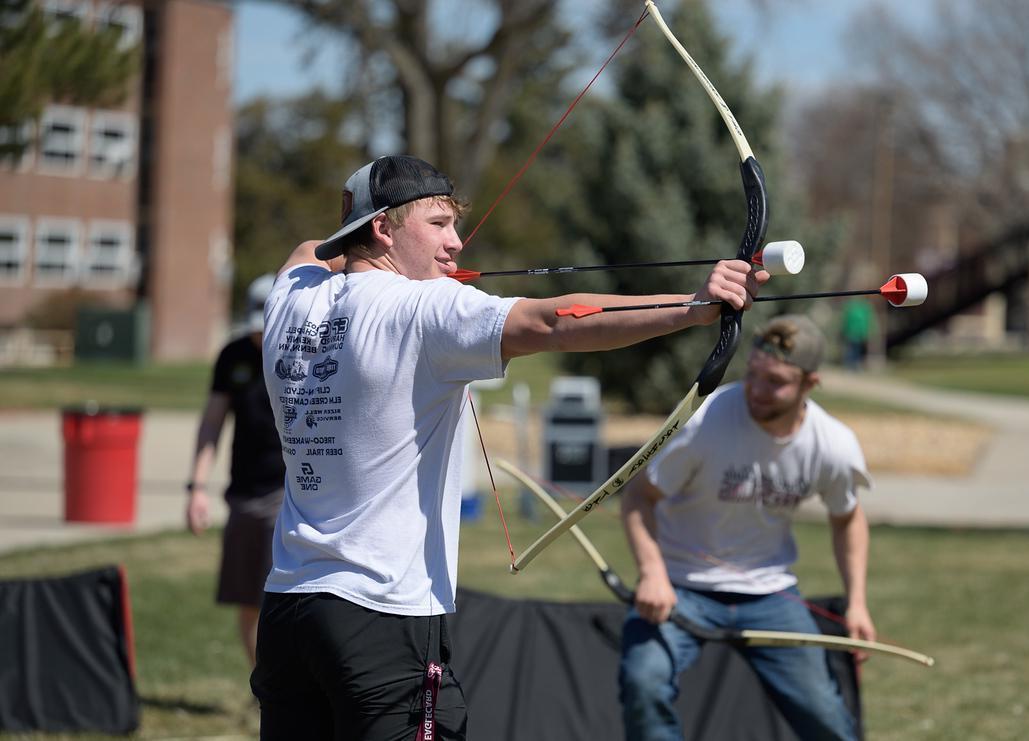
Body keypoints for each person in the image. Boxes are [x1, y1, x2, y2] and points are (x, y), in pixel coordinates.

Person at [248, 154, 768, 740]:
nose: (457, 243)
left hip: (288, 608)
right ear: (383, 227)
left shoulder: (292, 298)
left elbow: (307, 248)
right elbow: (553, 322)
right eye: (439, 223)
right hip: (382, 612)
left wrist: (362, 246)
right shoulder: (424, 310)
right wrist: (693, 307)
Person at [619, 313, 874, 741]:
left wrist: (858, 602)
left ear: (810, 384)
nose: (756, 390)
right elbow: (638, 497)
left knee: (826, 716)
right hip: (681, 587)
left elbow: (848, 519)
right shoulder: (704, 419)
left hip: (770, 593)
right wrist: (652, 573)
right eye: (752, 374)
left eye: (774, 381)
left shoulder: (833, 444)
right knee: (643, 681)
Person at [185, 273, 286, 667]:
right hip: (244, 492)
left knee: (281, 600)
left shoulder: (305, 352)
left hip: (288, 491)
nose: (261, 338)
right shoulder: (233, 355)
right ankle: (266, 691)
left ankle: (291, 694)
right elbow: (212, 422)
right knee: (249, 602)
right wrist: (196, 487)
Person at [839, 299, 876, 370]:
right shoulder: (864, 310)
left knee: (854, 350)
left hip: (854, 333)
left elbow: (846, 322)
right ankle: (851, 366)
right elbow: (869, 322)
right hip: (857, 333)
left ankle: (851, 365)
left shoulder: (855, 309)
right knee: (854, 350)